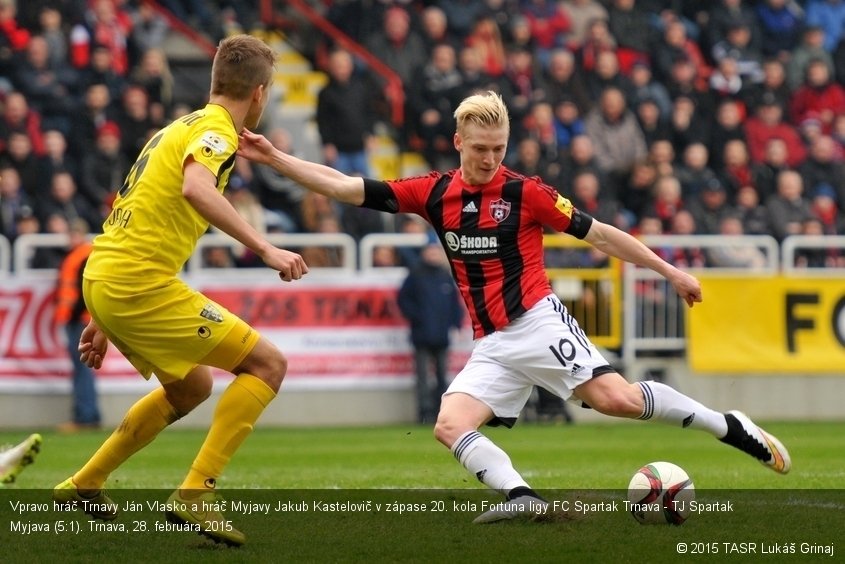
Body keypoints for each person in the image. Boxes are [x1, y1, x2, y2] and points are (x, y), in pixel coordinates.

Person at [236, 91, 791, 525]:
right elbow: (343, 186)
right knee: (450, 425)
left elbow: (600, 235)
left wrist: (669, 270)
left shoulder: (527, 193)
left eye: (499, 148)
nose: (490, 158)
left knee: (615, 399)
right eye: (481, 148)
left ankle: (729, 426)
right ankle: (521, 496)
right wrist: (274, 157)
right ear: (458, 141)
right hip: (494, 342)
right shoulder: (433, 193)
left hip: (537, 320)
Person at [52, 35, 309, 546]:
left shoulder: (176, 127)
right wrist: (267, 248)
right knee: (267, 365)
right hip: (136, 282)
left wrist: (102, 318)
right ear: (258, 94)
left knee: (192, 386)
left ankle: (85, 484)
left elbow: (138, 210)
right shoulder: (215, 130)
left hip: (106, 275)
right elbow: (197, 188)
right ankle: (196, 494)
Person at [397, 240, 464, 423]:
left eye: (436, 252)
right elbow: (404, 301)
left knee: (443, 377)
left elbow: (454, 305)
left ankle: (440, 411)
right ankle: (424, 413)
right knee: (423, 378)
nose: (434, 255)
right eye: (431, 251)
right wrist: (417, 318)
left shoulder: (444, 275)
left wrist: (456, 324)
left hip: (442, 335)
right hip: (422, 335)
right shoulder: (415, 275)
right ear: (425, 253)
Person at [54, 219, 101, 432]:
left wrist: (73, 314)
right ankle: (87, 415)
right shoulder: (78, 255)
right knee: (82, 369)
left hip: (80, 321)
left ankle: (86, 416)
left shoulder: (83, 255)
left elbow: (83, 291)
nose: (71, 238)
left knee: (82, 369)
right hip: (78, 319)